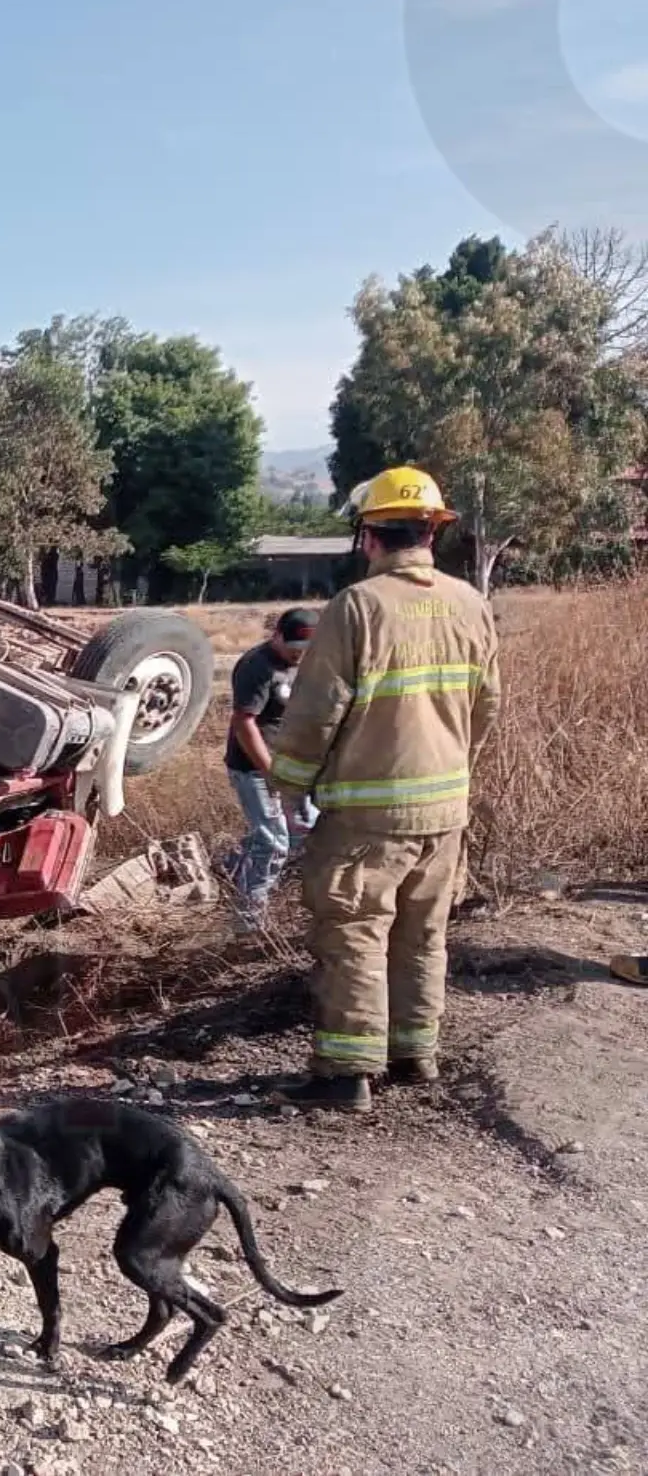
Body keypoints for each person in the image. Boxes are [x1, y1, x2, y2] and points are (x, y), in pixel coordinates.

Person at [265, 466, 500, 1112]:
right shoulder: (470, 604)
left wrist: (289, 785)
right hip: (444, 810)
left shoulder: (358, 607)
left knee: (354, 934)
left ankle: (346, 1074)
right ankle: (415, 1054)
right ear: (432, 532)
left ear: (368, 536)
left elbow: (316, 712)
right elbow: (486, 705)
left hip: (368, 818)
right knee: (423, 934)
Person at [222, 606, 319, 926]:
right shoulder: (257, 667)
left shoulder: (308, 664)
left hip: (291, 764)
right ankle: (248, 923)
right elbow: (243, 723)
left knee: (305, 830)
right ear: (277, 635)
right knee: (272, 843)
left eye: (304, 649)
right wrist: (270, 773)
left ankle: (228, 870)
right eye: (293, 648)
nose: (298, 654)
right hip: (253, 768)